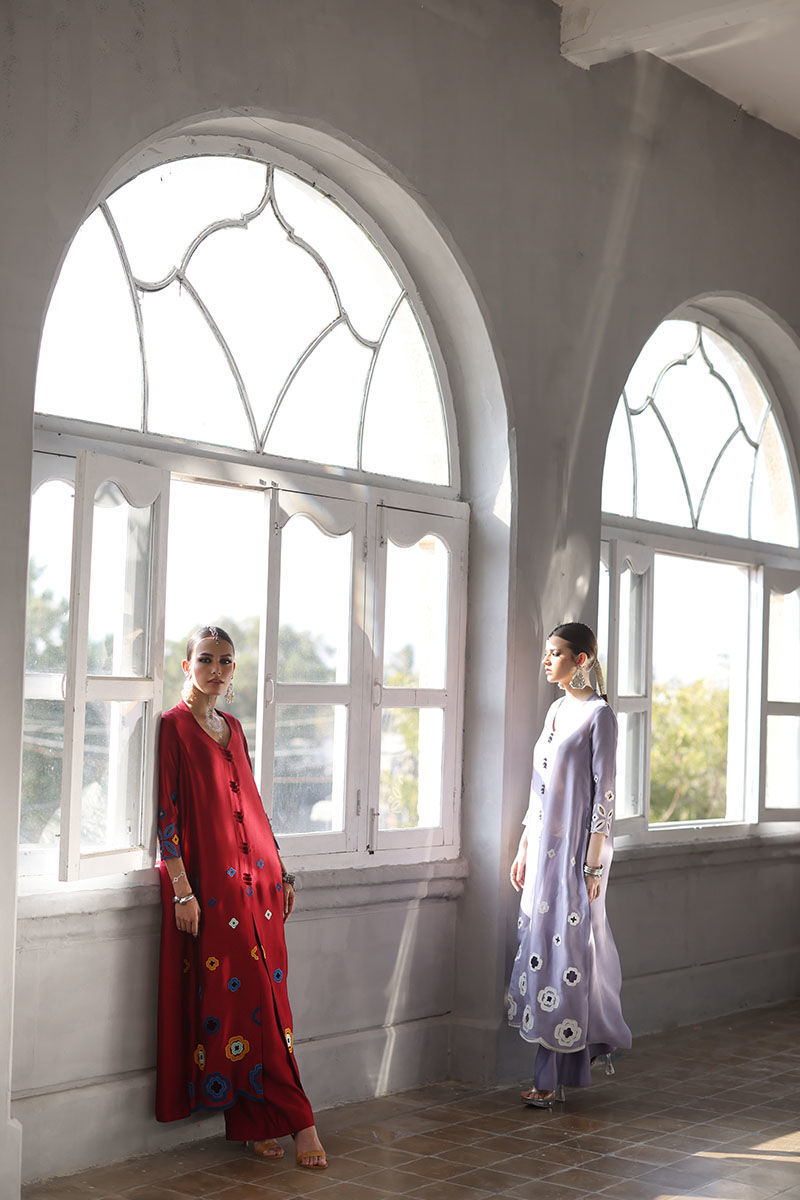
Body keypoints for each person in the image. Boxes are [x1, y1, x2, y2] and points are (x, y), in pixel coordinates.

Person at [155, 625, 327, 1169]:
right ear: (187, 666)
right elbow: (166, 816)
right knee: (237, 1002)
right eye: (206, 659)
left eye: (225, 661)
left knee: (269, 1003)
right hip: (212, 893)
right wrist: (182, 890)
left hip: (261, 884)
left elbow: (252, 804)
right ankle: (300, 1121)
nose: (216, 669)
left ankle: (257, 1121)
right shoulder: (172, 728)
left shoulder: (232, 727)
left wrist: (285, 872)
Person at [507, 621, 631, 1107]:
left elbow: (606, 794)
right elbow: (538, 788)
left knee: (570, 954)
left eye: (555, 653)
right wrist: (524, 845)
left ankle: (551, 1076)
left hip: (578, 856)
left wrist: (593, 865)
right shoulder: (556, 709)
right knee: (542, 947)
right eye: (546, 652)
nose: (546, 660)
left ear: (582, 659)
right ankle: (561, 1070)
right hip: (542, 853)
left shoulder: (600, 716)